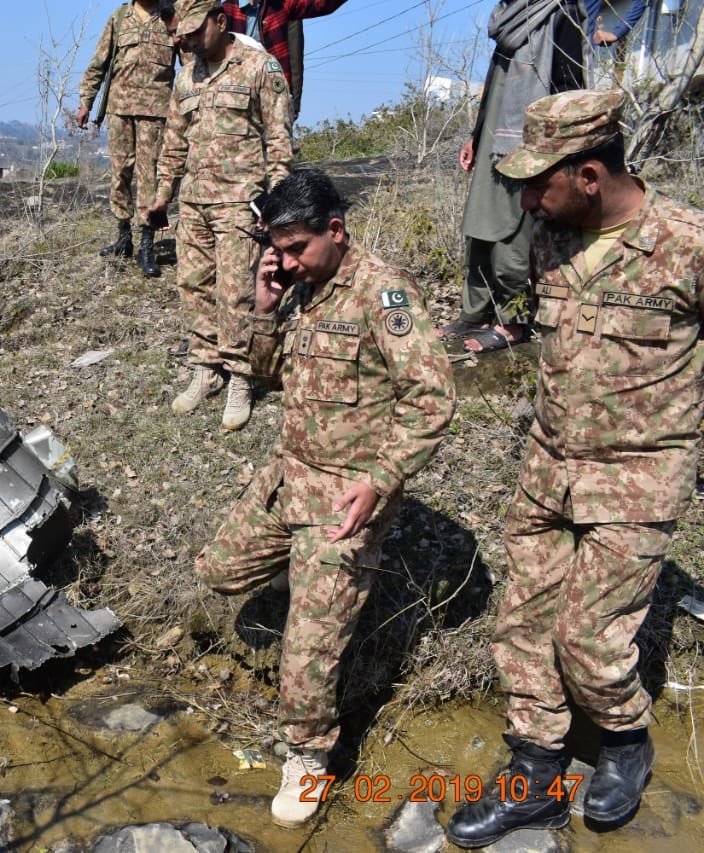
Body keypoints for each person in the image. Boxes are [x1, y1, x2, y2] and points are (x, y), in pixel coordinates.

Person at [445, 89, 704, 847]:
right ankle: (535, 769)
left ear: (589, 175)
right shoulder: (556, 235)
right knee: (523, 625)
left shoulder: (685, 243)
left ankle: (625, 739)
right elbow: (548, 321)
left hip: (636, 479)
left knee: (588, 637)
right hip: (548, 468)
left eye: (539, 181)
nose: (526, 198)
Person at [196, 169, 455, 826]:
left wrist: (380, 478)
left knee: (306, 646)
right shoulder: (300, 290)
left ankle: (309, 753)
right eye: (275, 249)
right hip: (291, 474)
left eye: (295, 248)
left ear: (335, 231)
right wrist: (261, 305)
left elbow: (432, 400)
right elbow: (267, 374)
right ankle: (322, 599)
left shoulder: (384, 294)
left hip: (347, 495)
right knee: (218, 572)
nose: (283, 261)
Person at [147, 0, 292, 430]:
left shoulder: (258, 68)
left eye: (195, 31)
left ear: (220, 21)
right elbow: (174, 141)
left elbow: (280, 139)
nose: (187, 40)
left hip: (238, 202)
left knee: (235, 292)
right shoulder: (187, 75)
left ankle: (240, 376)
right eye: (183, 34)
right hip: (194, 202)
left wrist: (276, 201)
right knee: (192, 284)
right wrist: (161, 195)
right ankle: (206, 366)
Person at [447, 0, 591, 354]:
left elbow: (570, 88)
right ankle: (475, 312)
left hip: (528, 143)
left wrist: (554, 154)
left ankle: (512, 322)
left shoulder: (559, 12)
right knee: (480, 224)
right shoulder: (508, 17)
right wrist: (476, 135)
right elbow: (495, 83)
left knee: (513, 231)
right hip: (495, 137)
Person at [77, 1, 178, 277]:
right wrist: (86, 102)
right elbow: (99, 62)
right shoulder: (119, 17)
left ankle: (147, 244)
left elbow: (190, 63)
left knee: (149, 176)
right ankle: (123, 238)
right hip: (119, 110)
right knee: (120, 172)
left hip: (156, 112)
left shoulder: (170, 17)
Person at [220, 0, 350, 123]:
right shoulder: (226, 10)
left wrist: (294, 102)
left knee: (278, 144)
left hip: (275, 100)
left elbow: (320, 4)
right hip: (236, 102)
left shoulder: (280, 5)